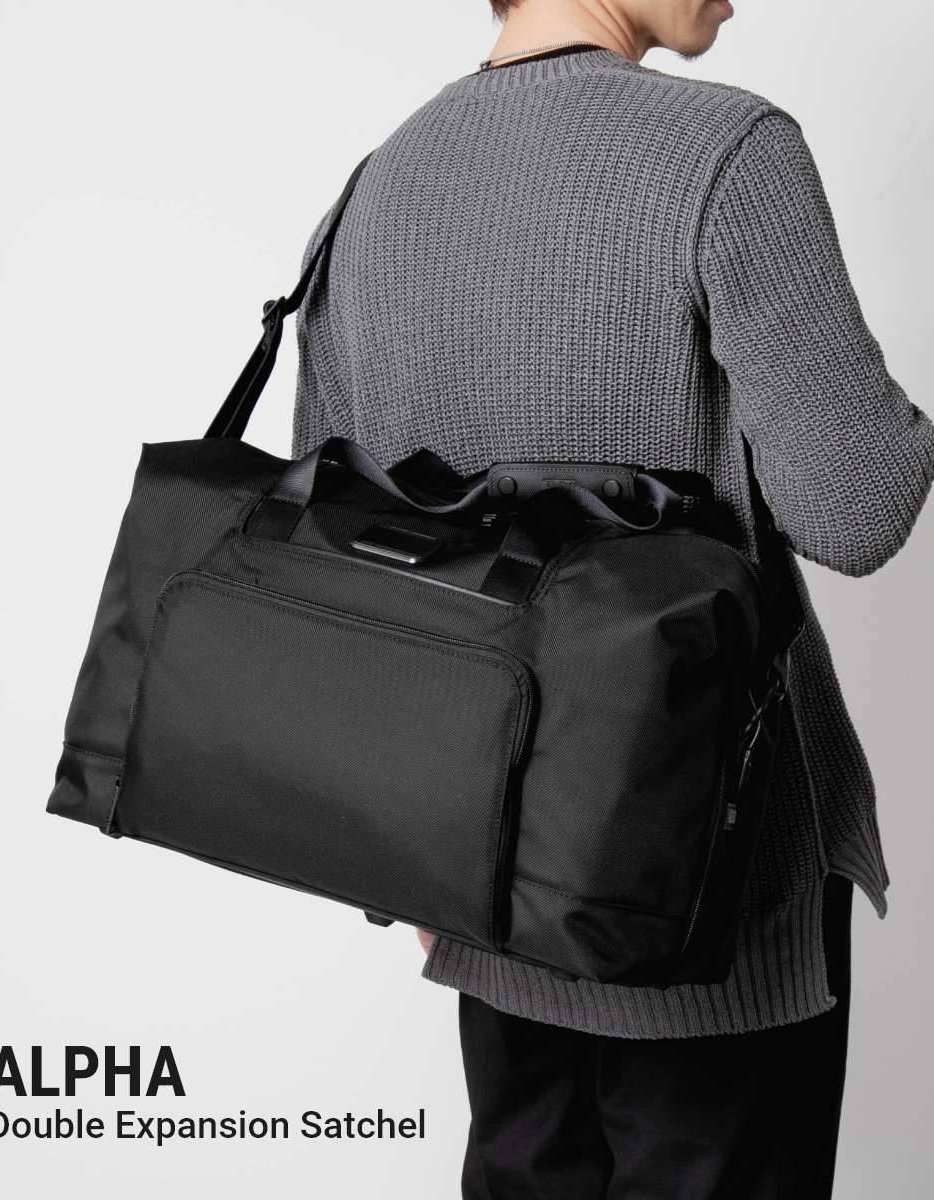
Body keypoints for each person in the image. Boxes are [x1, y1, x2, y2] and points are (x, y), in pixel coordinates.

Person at [291, 1, 934, 1194]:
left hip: (482, 879)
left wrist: (412, 858)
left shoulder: (375, 189)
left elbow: (343, 568)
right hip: (715, 902)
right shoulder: (728, 156)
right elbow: (858, 508)